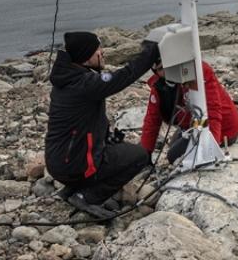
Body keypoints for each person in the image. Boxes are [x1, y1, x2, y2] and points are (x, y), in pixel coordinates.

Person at [44, 31, 160, 219]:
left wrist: (105, 138)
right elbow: (124, 76)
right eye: (97, 50)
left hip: (60, 161)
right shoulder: (84, 84)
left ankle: (71, 189)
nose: (102, 53)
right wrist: (151, 53)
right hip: (74, 164)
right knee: (139, 156)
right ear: (85, 56)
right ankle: (86, 196)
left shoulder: (67, 79)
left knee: (117, 148)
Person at [140, 59, 238, 164]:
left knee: (173, 156)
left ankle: (210, 141)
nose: (166, 71)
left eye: (166, 65)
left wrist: (210, 149)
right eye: (160, 69)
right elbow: (152, 120)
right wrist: (145, 155)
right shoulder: (159, 85)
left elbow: (212, 110)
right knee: (174, 146)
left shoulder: (198, 71)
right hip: (194, 125)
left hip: (225, 128)